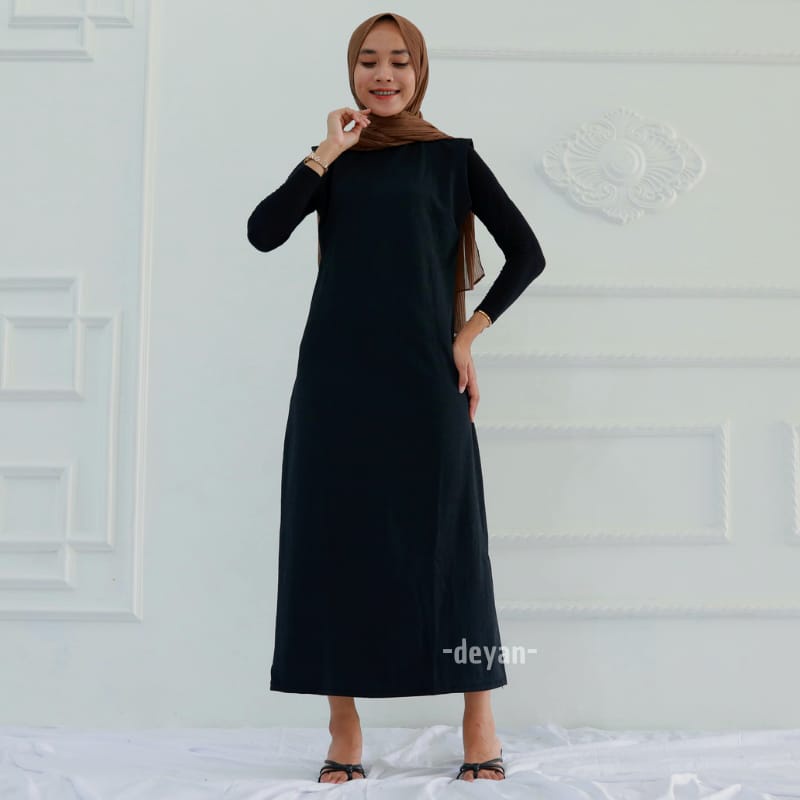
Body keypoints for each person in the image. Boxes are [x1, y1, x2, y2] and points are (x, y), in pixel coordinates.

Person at [246, 11, 546, 784]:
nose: (383, 75)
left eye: (400, 61)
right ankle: (343, 725)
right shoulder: (335, 161)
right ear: (351, 72)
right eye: (369, 61)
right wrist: (325, 153)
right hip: (335, 382)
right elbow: (263, 231)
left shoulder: (451, 158)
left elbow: (528, 254)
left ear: (420, 72)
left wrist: (468, 336)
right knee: (329, 541)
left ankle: (479, 720)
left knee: (452, 543)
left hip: (424, 379)